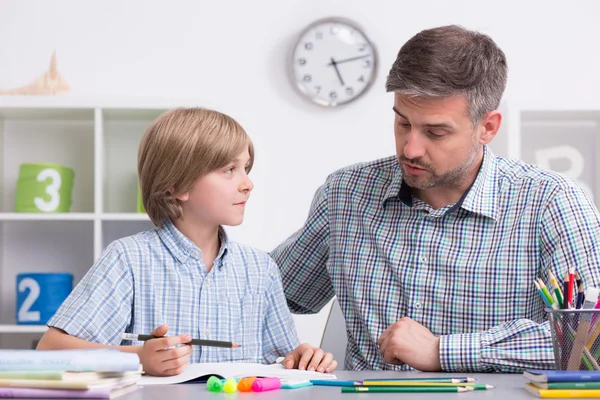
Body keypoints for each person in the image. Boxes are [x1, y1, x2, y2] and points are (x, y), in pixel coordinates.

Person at [272, 25, 600, 372]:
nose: (410, 149)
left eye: (436, 132)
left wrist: (444, 351)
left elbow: (593, 342)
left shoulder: (551, 202)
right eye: (402, 124)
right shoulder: (346, 195)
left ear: (487, 127)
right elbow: (271, 292)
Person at [37, 108, 337, 376]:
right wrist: (137, 358)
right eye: (229, 170)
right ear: (178, 185)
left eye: (246, 168)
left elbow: (281, 361)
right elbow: (50, 349)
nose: (248, 183)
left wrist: (300, 359)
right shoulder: (129, 259)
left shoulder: (261, 268)